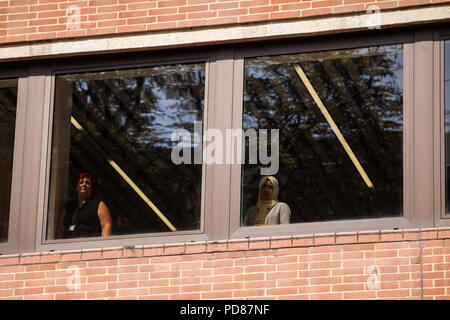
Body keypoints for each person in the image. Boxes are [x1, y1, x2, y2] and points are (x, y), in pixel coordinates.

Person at [56, 172, 112, 238]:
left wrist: (103, 245)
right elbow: (60, 228)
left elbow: (106, 225)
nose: (84, 185)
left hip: (90, 246)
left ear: (92, 188)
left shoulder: (98, 204)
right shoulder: (68, 206)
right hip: (69, 246)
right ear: (76, 187)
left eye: (87, 183)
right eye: (81, 182)